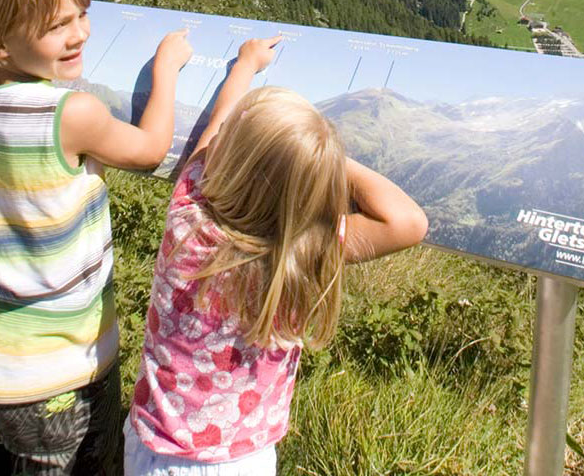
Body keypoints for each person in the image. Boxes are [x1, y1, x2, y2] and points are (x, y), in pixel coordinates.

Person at [0, 0, 194, 475]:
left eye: (83, 14)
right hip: (61, 371)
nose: (82, 32)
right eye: (58, 26)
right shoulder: (70, 114)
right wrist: (166, 68)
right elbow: (147, 152)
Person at [125, 77, 429, 475]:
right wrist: (320, 155)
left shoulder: (187, 220)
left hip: (154, 449)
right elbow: (408, 221)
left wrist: (245, 68)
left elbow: (212, 136)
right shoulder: (300, 254)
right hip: (244, 461)